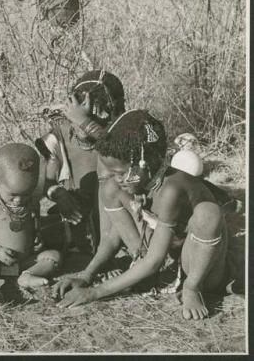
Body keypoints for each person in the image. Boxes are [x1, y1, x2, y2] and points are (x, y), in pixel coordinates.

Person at [53, 109, 229, 321]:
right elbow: (110, 237)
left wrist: (95, 293)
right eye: (113, 172)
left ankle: (193, 287)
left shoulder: (171, 189)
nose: (117, 178)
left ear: (143, 163)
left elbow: (154, 261)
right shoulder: (133, 182)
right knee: (109, 188)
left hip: (199, 261)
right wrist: (87, 275)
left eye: (120, 173)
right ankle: (146, 273)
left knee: (207, 212)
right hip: (161, 254)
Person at [35, 69, 125, 253]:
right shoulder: (60, 133)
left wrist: (85, 122)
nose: (81, 125)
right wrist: (58, 194)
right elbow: (45, 181)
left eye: (90, 117)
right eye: (77, 114)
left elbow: (120, 155)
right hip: (77, 217)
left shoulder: (120, 132)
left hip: (117, 215)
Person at [0, 143, 61, 308]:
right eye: (12, 195)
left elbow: (35, 225)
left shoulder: (32, 203)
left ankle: (27, 277)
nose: (19, 200)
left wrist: (37, 237)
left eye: (26, 194)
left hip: (23, 261)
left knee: (54, 256)